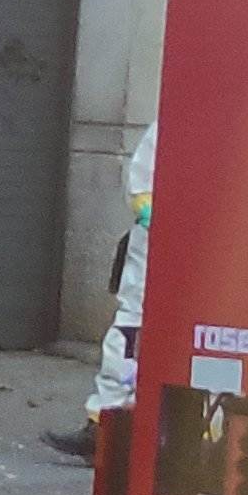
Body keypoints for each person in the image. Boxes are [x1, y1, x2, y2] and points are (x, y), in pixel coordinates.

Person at [50, 116, 155, 464]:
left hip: (172, 260)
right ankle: (107, 425)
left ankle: (114, 426)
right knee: (128, 342)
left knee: (133, 342)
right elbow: (141, 195)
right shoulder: (176, 122)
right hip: (158, 258)